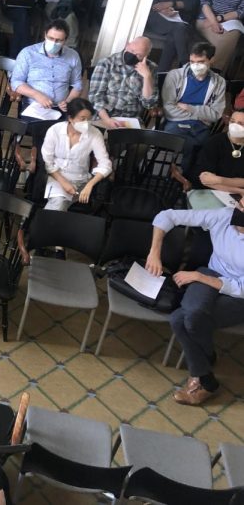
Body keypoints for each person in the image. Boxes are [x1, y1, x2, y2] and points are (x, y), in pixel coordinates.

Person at [145, 203, 244, 405]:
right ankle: (206, 360)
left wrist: (199, 277)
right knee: (193, 315)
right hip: (211, 275)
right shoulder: (224, 216)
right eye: (240, 204)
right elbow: (167, 215)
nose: (238, 210)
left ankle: (204, 379)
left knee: (179, 319)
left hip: (238, 294)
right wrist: (154, 252)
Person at [160, 42, 226, 173]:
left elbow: (216, 115)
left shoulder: (219, 82)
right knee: (190, 145)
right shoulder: (175, 75)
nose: (195, 65)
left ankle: (193, 180)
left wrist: (189, 108)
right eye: (192, 61)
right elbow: (168, 109)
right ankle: (185, 179)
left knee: (211, 148)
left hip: (202, 126)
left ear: (211, 60)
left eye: (201, 61)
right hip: (175, 122)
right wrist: (202, 112)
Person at [40, 98, 111, 211]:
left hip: (80, 180)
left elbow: (105, 164)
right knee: (58, 202)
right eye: (82, 119)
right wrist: (63, 182)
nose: (86, 123)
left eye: (89, 119)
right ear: (70, 118)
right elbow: (48, 162)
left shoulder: (95, 134)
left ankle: (36, 224)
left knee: (59, 205)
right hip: (56, 176)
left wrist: (90, 184)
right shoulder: (55, 131)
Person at [11, 19, 83, 114]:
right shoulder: (28, 53)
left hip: (60, 108)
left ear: (65, 40)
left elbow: (77, 84)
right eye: (50, 38)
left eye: (58, 40)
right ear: (45, 35)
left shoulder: (73, 56)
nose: (54, 42)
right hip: (34, 106)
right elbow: (16, 82)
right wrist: (36, 94)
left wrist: (68, 101)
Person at [89, 36, 158, 128]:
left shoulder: (151, 68)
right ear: (127, 45)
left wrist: (147, 77)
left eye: (139, 55)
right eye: (132, 51)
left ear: (146, 56)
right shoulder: (107, 63)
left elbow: (149, 104)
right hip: (105, 116)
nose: (134, 55)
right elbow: (95, 98)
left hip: (132, 119)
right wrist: (107, 120)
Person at [195, 0, 244, 73]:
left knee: (233, 35)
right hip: (205, 19)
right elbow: (204, 3)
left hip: (229, 20)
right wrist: (212, 21)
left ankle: (213, 73)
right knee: (221, 42)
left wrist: (219, 19)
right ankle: (212, 73)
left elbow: (241, 11)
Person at [189, 109, 244, 194]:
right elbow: (205, 179)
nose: (234, 126)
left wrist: (220, 180)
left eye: (240, 124)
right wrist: (239, 191)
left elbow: (214, 180)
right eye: (232, 121)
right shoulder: (215, 141)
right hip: (209, 191)